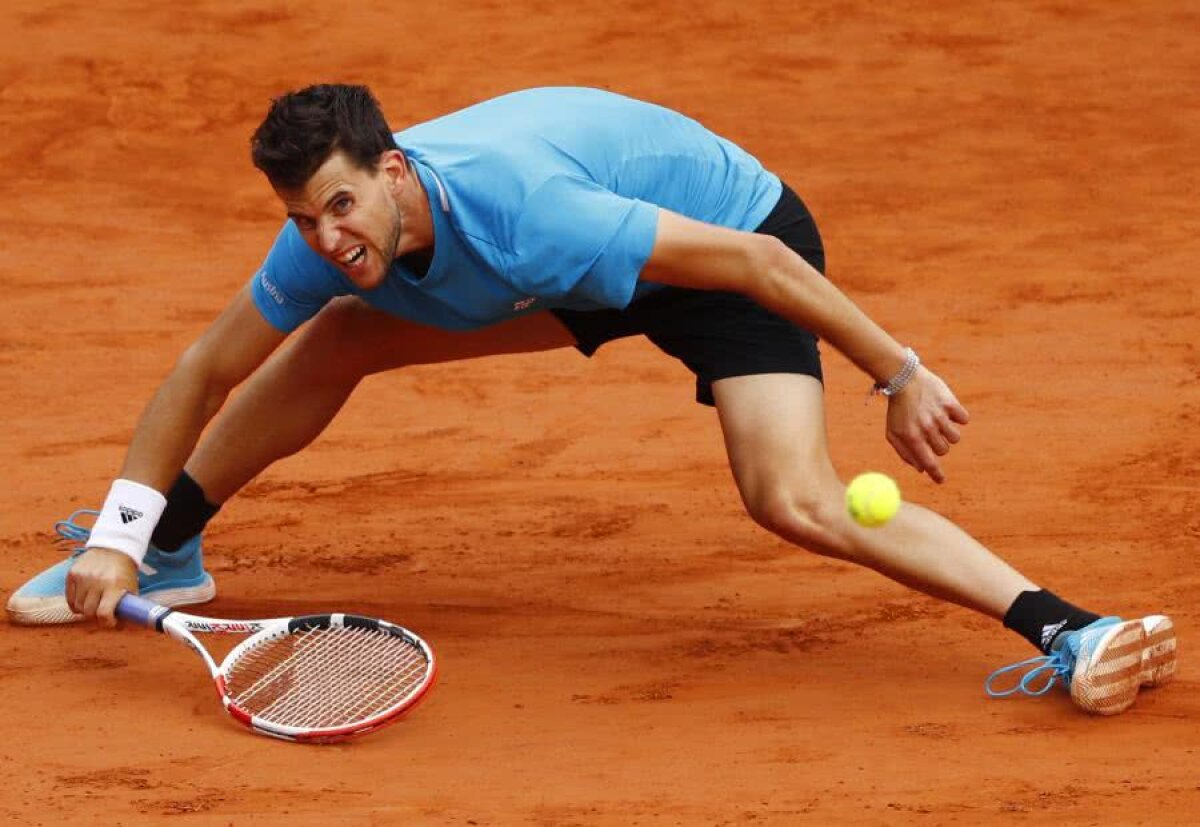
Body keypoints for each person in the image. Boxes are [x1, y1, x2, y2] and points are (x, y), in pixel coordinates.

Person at [7, 85, 1175, 715]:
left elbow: (764, 270)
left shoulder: (526, 208)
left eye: (342, 207)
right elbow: (201, 370)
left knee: (798, 500)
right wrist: (118, 528)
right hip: (571, 276)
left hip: (725, 242)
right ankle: (171, 547)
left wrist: (898, 369)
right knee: (333, 335)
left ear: (393, 170)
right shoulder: (328, 241)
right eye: (306, 216)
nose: (326, 235)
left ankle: (1066, 624)